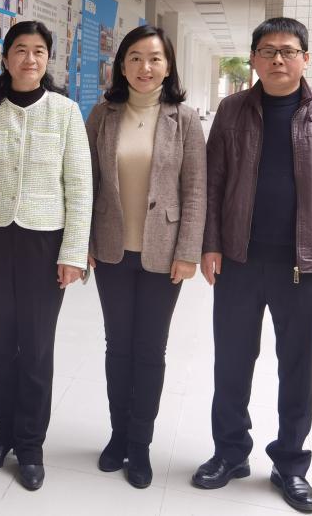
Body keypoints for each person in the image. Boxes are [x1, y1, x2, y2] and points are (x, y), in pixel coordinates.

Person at [192, 17, 312, 513]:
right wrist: (210, 244)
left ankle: (290, 463)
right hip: (240, 261)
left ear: (305, 59)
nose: (278, 60)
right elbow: (212, 181)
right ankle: (230, 453)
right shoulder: (232, 110)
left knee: (296, 369)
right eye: (267, 51)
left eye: (288, 51)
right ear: (253, 59)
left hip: (304, 267)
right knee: (231, 363)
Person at [0, 20, 91, 491]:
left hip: (44, 243)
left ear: (47, 59)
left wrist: (73, 252)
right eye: (20, 50)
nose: (29, 59)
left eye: (38, 51)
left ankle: (30, 446)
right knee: (0, 342)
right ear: (6, 57)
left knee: (35, 346)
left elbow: (80, 187)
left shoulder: (66, 112)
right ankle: (2, 435)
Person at [85, 25, 206, 489]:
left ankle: (140, 444)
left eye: (154, 58)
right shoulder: (104, 113)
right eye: (135, 58)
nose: (145, 67)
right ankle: (118, 436)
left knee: (151, 350)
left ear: (168, 66)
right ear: (122, 65)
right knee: (118, 347)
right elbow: (87, 181)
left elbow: (195, 190)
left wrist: (188, 251)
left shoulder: (185, 119)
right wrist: (84, 243)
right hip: (112, 249)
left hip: (164, 252)